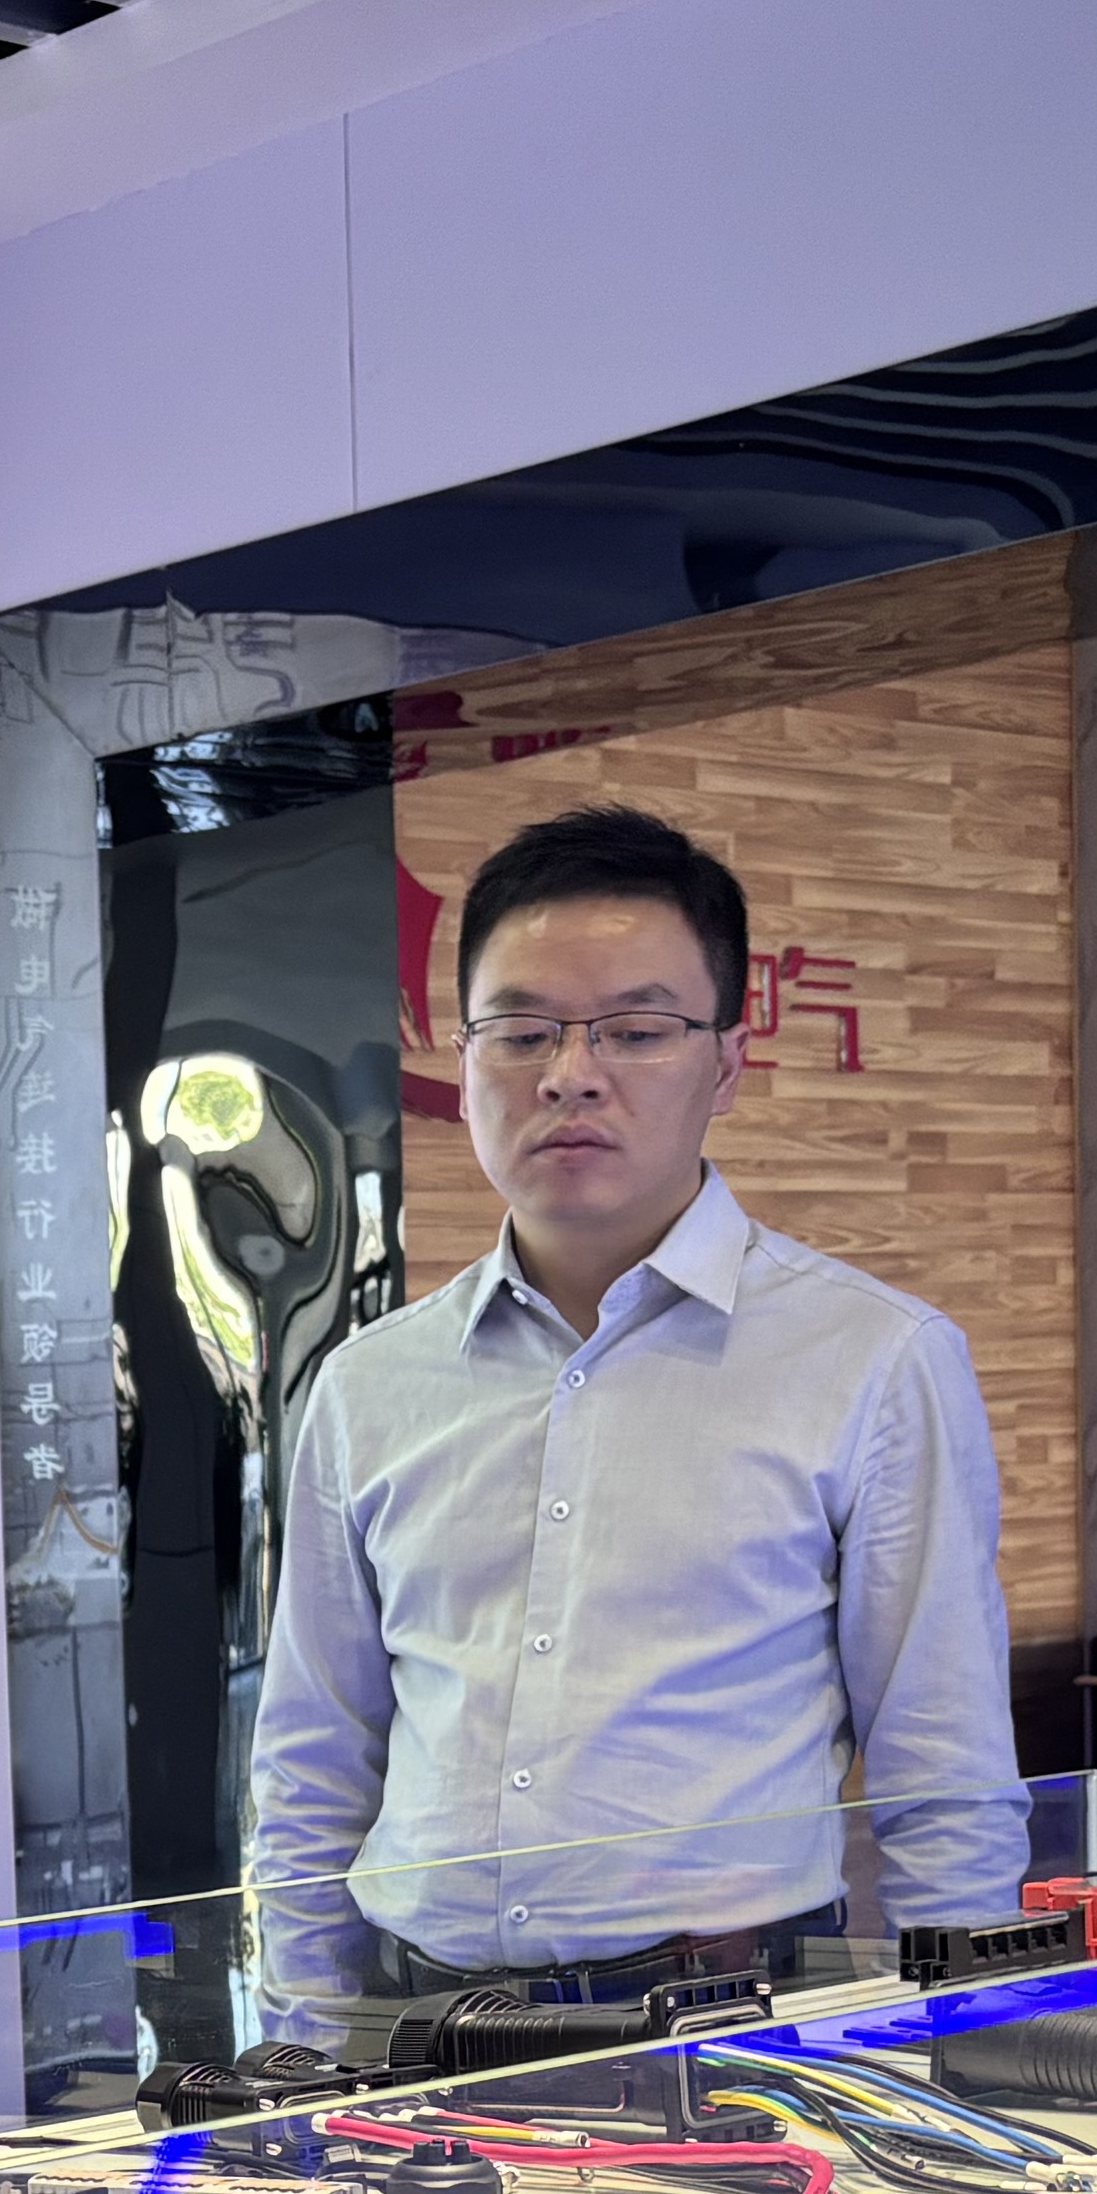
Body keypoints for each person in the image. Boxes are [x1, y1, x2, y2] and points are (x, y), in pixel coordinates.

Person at [246, 802, 1028, 2001]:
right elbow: (313, 1756)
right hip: (415, 2024)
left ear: (727, 1061)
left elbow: (944, 1769)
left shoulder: (873, 1360)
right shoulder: (369, 1384)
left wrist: (972, 2039)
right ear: (462, 1058)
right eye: (521, 1032)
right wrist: (302, 2041)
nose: (570, 1076)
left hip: (725, 2024)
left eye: (636, 1031)